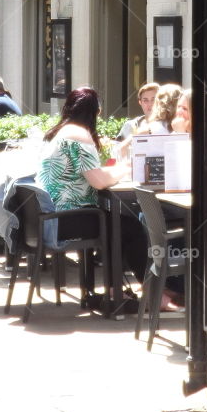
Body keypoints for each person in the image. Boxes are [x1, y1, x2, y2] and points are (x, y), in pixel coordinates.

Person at [36, 87, 148, 300]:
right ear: (95, 112)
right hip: (65, 218)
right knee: (131, 227)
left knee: (116, 224)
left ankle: (115, 289)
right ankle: (152, 293)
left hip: (50, 216)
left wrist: (116, 171)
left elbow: (90, 174)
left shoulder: (59, 132)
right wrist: (128, 169)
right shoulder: (80, 135)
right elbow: (98, 182)